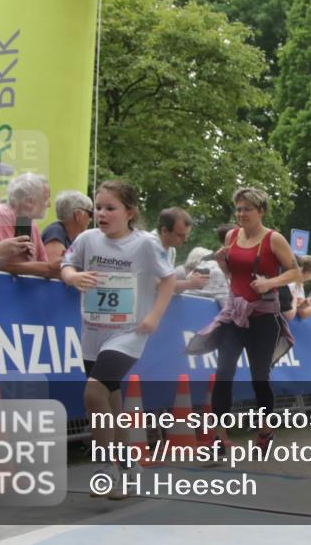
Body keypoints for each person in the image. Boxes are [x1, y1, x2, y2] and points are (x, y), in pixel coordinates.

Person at [60, 180, 175, 499]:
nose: (102, 213)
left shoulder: (144, 245)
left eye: (110, 208)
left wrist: (154, 316)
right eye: (98, 207)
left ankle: (104, 465)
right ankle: (127, 464)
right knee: (110, 399)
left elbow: (168, 280)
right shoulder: (87, 239)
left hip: (129, 333)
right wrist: (72, 277)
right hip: (93, 332)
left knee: (94, 392)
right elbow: (66, 264)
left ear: (130, 213)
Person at [209, 187, 299, 451]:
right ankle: (219, 437)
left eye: (247, 208)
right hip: (234, 315)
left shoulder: (274, 239)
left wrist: (270, 282)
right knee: (223, 372)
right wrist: (222, 263)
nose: (241, 213)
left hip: (263, 318)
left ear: (260, 211)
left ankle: (265, 430)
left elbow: (295, 273)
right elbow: (231, 275)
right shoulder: (231, 235)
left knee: (259, 376)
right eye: (238, 208)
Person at [0, 173, 61, 278]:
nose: (49, 204)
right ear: (29, 201)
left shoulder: (29, 223)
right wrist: (48, 268)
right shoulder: (1, 215)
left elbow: (44, 263)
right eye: (45, 198)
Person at [149, 207, 208, 294]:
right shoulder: (149, 245)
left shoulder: (171, 250)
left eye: (187, 235)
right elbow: (155, 285)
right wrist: (189, 283)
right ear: (164, 231)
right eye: (180, 235)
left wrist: (188, 280)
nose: (185, 240)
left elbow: (168, 286)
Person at [42, 190, 94, 262]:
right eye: (90, 214)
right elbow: (54, 266)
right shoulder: (55, 231)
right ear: (77, 215)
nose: (91, 219)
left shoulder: (69, 235)